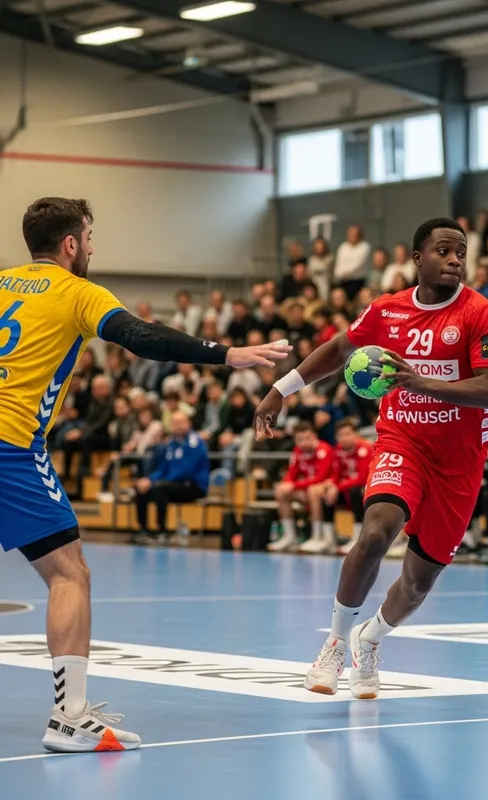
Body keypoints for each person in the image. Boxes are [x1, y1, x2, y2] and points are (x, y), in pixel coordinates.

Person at [0, 197, 292, 753]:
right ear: (70, 245)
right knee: (69, 574)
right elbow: (143, 338)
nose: (91, 246)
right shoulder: (78, 292)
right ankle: (70, 716)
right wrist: (227, 354)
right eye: (88, 236)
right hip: (9, 448)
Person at [254, 217, 488, 699]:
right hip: (403, 441)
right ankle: (332, 644)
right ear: (417, 259)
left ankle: (368, 641)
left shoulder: (481, 314)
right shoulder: (387, 311)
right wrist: (281, 389)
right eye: (443, 251)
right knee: (375, 533)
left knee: (416, 583)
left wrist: (419, 382)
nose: (455, 259)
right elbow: (335, 350)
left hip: (459, 462)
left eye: (461, 252)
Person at [133, 411, 209, 541]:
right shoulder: (171, 444)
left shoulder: (194, 442)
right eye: (175, 423)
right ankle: (143, 530)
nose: (178, 426)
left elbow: (186, 470)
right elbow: (163, 468)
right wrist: (149, 480)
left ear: (188, 424)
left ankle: (162, 531)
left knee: (159, 488)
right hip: (172, 484)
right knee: (141, 488)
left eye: (181, 423)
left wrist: (156, 482)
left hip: (193, 485)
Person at [305, 419, 372, 555]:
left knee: (356, 492)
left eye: (347, 434)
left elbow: (362, 479)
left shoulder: (365, 448)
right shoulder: (338, 450)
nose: (344, 438)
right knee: (325, 493)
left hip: (365, 490)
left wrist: (337, 487)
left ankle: (357, 538)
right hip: (345, 490)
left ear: (355, 434)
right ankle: (328, 539)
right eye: (340, 435)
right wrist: (331, 486)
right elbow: (336, 475)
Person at [270, 421, 336, 553]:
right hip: (307, 490)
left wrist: (293, 485)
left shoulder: (325, 450)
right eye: (300, 439)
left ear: (315, 437)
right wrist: (286, 484)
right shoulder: (297, 451)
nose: (304, 442)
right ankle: (289, 536)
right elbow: (291, 473)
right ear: (295, 440)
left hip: (326, 490)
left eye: (308, 438)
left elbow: (320, 478)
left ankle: (317, 537)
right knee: (281, 492)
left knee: (313, 491)